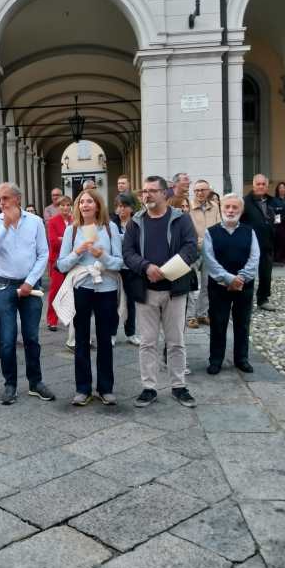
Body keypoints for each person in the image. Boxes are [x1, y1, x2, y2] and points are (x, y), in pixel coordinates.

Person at [122, 175, 198, 409]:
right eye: (144, 191)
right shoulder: (135, 221)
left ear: (165, 193)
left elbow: (191, 247)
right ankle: (149, 387)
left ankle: (178, 386)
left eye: (152, 191)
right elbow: (128, 252)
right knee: (148, 342)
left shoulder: (181, 219)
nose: (147, 195)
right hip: (146, 291)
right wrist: (146, 266)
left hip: (175, 290)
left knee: (176, 341)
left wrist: (166, 270)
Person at [0, 182, 54, 405]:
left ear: (18, 199)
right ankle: (10, 384)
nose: (1, 202)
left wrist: (30, 281)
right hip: (4, 284)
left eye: (5, 198)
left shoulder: (35, 222)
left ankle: (36, 382)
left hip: (30, 285)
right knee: (7, 339)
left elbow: (43, 254)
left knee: (32, 337)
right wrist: (5, 226)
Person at [55, 190, 123, 406]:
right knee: (81, 339)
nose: (85, 205)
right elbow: (62, 264)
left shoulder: (110, 228)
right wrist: (78, 252)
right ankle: (82, 389)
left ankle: (106, 388)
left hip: (107, 288)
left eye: (89, 201)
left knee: (105, 339)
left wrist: (100, 255)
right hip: (82, 288)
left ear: (97, 205)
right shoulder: (72, 230)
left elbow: (118, 263)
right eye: (81, 202)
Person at [202, 193, 260, 375]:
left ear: (241, 211)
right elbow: (209, 260)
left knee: (242, 324)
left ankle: (241, 359)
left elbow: (254, 257)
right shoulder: (210, 232)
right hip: (219, 287)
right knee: (218, 323)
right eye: (227, 207)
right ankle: (216, 360)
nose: (230, 210)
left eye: (235, 207)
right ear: (221, 208)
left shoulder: (249, 231)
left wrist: (240, 278)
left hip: (244, 286)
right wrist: (228, 279)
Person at [189, 179, 221, 329]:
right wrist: (201, 242)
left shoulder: (215, 207)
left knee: (207, 285)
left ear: (209, 191)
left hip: (210, 252)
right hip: (193, 251)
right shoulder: (187, 207)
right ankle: (190, 316)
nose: (200, 193)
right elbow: (187, 231)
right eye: (197, 190)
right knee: (190, 285)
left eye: (203, 190)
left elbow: (219, 227)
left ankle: (202, 313)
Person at [242, 174, 276, 311]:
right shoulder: (245, 202)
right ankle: (245, 300)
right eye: (258, 184)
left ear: (267, 186)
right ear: (254, 185)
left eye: (263, 184)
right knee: (247, 273)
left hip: (267, 242)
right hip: (249, 244)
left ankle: (263, 299)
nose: (261, 186)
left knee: (266, 273)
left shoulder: (272, 201)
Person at [111, 193, 140, 345]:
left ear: (131, 208)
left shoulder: (137, 223)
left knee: (130, 301)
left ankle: (131, 333)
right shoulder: (111, 223)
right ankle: (112, 333)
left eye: (124, 206)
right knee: (113, 301)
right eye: (119, 206)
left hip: (131, 268)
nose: (121, 209)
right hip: (115, 268)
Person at [46, 195, 74, 331]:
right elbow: (53, 242)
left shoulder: (74, 221)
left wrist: (63, 239)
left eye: (68, 205)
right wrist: (68, 240)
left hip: (72, 261)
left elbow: (78, 240)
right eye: (62, 205)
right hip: (56, 261)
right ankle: (52, 319)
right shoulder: (52, 221)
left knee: (70, 291)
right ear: (58, 207)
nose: (65, 207)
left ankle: (67, 317)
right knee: (55, 290)